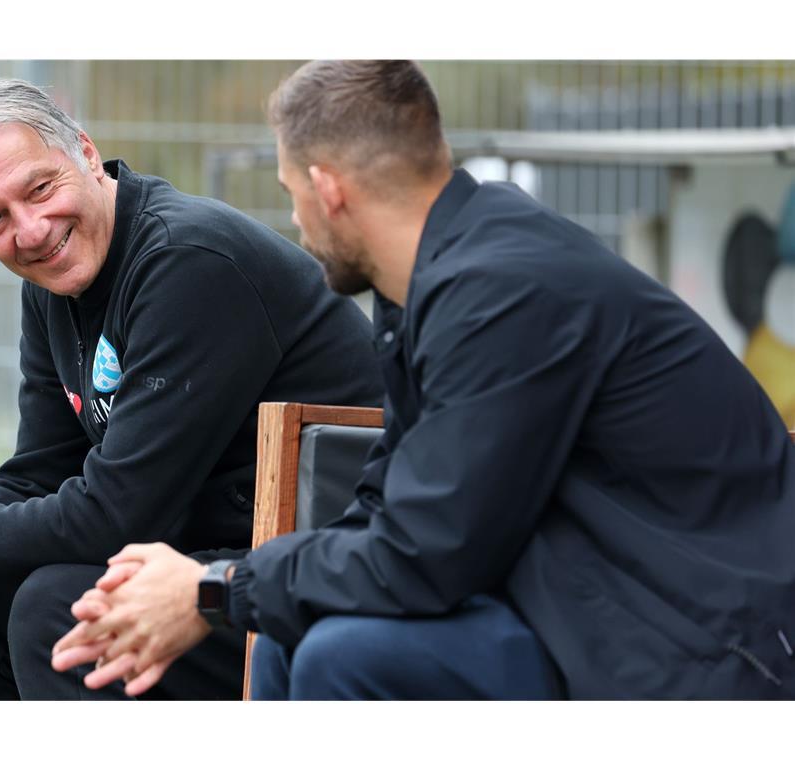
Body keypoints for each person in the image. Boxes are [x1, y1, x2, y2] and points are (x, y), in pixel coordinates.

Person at [51, 59, 795, 700]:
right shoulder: (437, 282)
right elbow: (386, 507)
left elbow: (427, 553)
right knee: (290, 634)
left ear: (327, 188)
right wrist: (216, 583)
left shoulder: (505, 292)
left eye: (289, 194)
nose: (296, 221)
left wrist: (214, 591)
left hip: (701, 646)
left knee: (348, 658)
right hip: (584, 599)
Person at [0, 77, 383, 700]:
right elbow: (36, 477)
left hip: (314, 581)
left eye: (40, 189)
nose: (31, 231)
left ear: (87, 155)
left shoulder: (186, 261)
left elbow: (116, 515)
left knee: (58, 609)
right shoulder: (53, 286)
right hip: (204, 552)